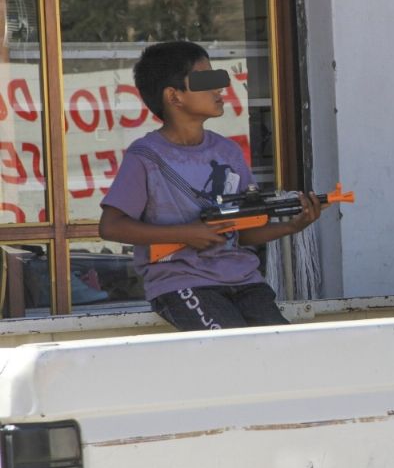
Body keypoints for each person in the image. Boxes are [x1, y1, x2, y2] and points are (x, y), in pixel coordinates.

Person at [99, 41, 325, 331]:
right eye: (206, 81)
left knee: (279, 348)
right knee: (234, 351)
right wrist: (186, 234)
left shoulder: (228, 152)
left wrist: (293, 226)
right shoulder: (144, 156)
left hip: (245, 282)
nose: (220, 90)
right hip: (183, 284)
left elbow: (243, 232)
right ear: (174, 96)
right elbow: (111, 226)